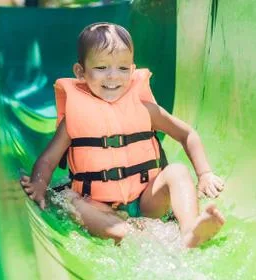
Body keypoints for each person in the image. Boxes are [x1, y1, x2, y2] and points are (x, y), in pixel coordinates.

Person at [20, 22, 225, 248]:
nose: (113, 77)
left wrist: (205, 174)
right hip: (99, 204)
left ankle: (189, 231)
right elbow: (48, 159)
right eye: (101, 68)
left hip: (148, 201)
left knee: (177, 171)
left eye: (123, 68)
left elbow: (188, 135)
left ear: (133, 68)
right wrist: (39, 184)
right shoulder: (73, 120)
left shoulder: (145, 109)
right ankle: (126, 234)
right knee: (70, 200)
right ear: (80, 72)